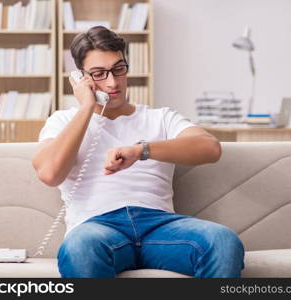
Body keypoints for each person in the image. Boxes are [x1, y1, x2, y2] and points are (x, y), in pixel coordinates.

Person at [32, 26, 245, 278]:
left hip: (160, 227)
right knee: (80, 248)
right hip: (97, 228)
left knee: (223, 241)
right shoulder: (62, 121)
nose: (112, 82)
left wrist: (142, 150)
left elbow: (210, 148)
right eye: (100, 74)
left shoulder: (161, 118)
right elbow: (49, 173)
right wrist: (87, 107)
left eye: (118, 69)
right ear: (81, 78)